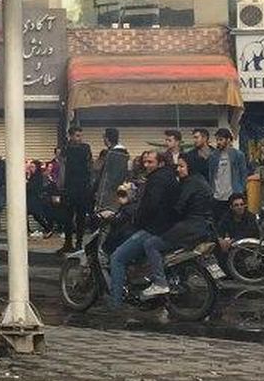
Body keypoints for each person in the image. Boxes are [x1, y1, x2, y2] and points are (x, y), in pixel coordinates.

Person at [109, 152, 181, 308]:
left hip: (155, 228)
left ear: (160, 163)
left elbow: (151, 206)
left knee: (117, 258)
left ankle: (116, 302)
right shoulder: (169, 176)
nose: (147, 165)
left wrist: (137, 219)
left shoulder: (157, 179)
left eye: (150, 162)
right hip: (170, 226)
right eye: (145, 162)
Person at [57, 126, 94, 255]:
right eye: (77, 135)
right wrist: (61, 187)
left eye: (80, 135)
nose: (79, 138)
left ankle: (78, 242)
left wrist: (90, 185)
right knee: (67, 217)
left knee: (81, 217)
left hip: (82, 188)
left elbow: (90, 165)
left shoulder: (85, 148)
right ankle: (68, 243)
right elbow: (62, 167)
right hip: (69, 188)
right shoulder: (66, 149)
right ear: (71, 136)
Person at [204, 127, 249, 214]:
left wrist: (240, 191)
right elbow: (211, 174)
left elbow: (243, 174)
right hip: (217, 196)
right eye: (217, 140)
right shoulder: (213, 156)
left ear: (228, 140)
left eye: (221, 139)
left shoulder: (238, 155)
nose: (218, 142)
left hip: (233, 195)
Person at [92, 127, 131, 216]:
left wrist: (99, 193)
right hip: (117, 193)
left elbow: (107, 178)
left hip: (109, 197)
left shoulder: (115, 154)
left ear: (107, 138)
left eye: (103, 137)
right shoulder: (122, 154)